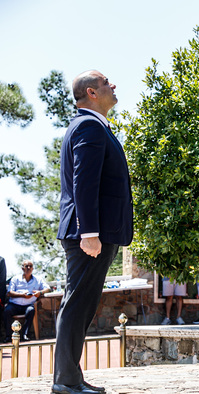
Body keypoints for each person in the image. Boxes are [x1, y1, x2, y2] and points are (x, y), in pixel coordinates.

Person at [54, 70, 133, 394]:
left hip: (93, 231)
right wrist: (89, 232)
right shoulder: (88, 125)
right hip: (88, 233)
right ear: (92, 92)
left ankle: (70, 376)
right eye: (106, 83)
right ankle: (66, 380)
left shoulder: (92, 125)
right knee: (77, 304)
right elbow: (83, 182)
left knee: (81, 304)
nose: (112, 85)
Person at [3, 260, 50, 342]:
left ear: (32, 268)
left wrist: (40, 292)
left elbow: (47, 288)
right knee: (7, 311)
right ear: (22, 268)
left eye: (30, 266)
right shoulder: (15, 279)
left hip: (28, 305)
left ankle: (25, 334)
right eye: (26, 266)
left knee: (31, 310)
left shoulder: (37, 280)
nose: (28, 268)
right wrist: (23, 295)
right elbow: (9, 292)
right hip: (14, 304)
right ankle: (8, 336)